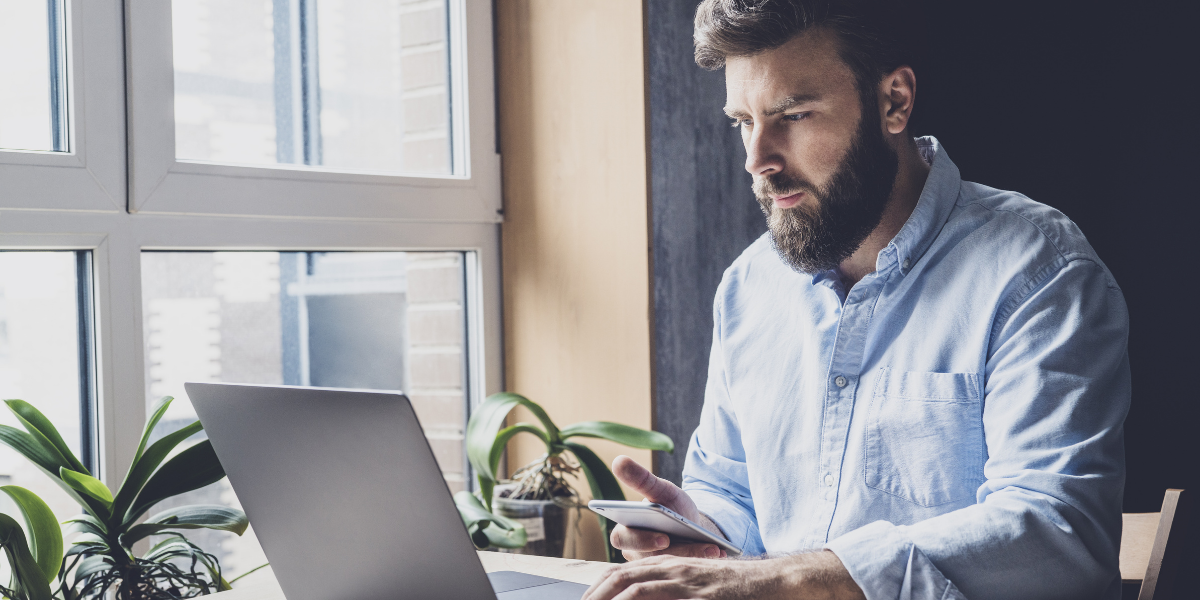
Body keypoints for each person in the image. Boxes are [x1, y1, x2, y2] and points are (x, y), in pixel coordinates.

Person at [581, 1, 1130, 599]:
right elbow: (732, 494)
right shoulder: (749, 286)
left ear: (893, 101)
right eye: (743, 120)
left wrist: (785, 577)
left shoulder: (1039, 272)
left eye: (792, 114)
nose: (756, 159)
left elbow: (1057, 535)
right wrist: (698, 534)